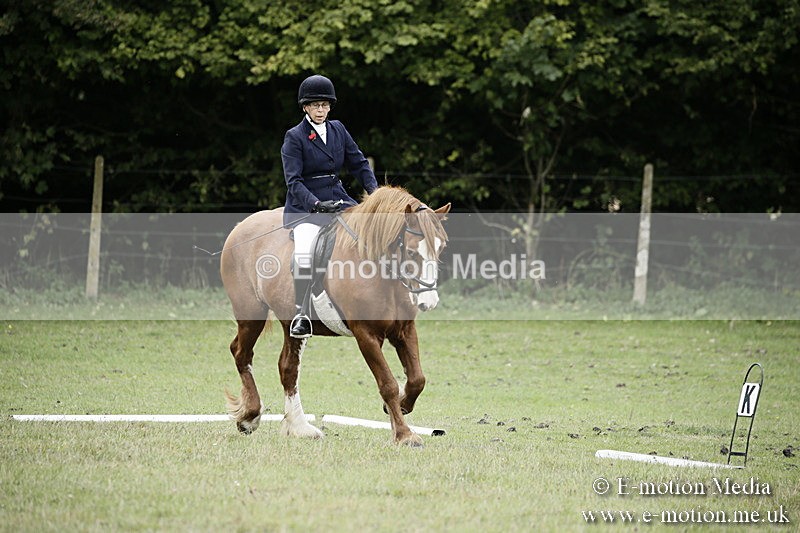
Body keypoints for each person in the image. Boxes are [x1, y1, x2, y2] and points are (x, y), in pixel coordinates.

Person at [281, 74, 378, 338]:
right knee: (304, 250)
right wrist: (315, 203)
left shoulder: (338, 129)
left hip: (338, 199)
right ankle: (302, 314)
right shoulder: (295, 137)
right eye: (315, 106)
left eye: (325, 105)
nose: (321, 110)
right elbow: (294, 181)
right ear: (305, 107)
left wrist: (377, 194)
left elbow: (358, 163)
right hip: (305, 207)